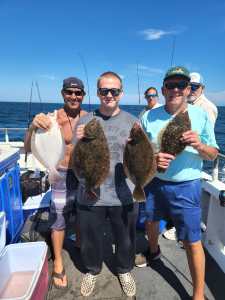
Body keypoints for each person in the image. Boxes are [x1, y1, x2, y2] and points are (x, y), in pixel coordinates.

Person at [140, 66, 218, 300]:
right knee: (151, 221)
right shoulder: (148, 116)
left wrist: (199, 145)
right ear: (163, 89)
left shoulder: (201, 114)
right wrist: (152, 159)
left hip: (187, 186)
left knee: (192, 240)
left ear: (188, 89)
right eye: (170, 85)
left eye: (181, 85)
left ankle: (198, 295)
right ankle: (153, 251)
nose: (175, 89)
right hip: (154, 181)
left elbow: (213, 153)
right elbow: (139, 151)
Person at [75, 71, 138, 297]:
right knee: (90, 238)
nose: (109, 95)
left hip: (124, 193)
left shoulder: (133, 122)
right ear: (98, 92)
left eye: (114, 90)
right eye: (104, 91)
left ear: (121, 93)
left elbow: (143, 154)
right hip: (91, 192)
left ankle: (124, 269)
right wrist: (79, 138)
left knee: (126, 238)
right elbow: (76, 160)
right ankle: (92, 269)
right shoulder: (85, 122)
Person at [24, 77, 88, 289]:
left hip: (82, 175)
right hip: (59, 172)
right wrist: (33, 127)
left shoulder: (89, 118)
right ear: (62, 94)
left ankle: (79, 243)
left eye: (78, 93)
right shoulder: (49, 119)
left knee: (81, 213)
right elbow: (27, 147)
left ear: (83, 96)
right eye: (69, 92)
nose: (73, 96)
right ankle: (59, 261)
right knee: (59, 218)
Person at [164, 71, 218, 241]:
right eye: (191, 86)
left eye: (195, 87)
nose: (192, 90)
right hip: (168, 170)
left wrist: (198, 143)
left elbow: (208, 141)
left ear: (201, 88)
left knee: (189, 229)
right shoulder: (183, 103)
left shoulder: (206, 108)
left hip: (190, 167)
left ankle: (179, 227)